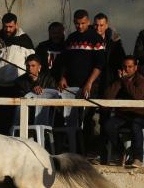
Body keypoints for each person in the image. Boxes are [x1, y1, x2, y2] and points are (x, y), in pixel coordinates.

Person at [59, 9, 105, 155]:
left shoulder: (96, 39)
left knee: (87, 119)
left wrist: (89, 83)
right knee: (71, 118)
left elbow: (99, 65)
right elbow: (64, 61)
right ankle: (74, 150)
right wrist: (63, 77)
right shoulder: (71, 38)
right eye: (77, 23)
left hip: (89, 86)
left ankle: (87, 151)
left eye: (83, 23)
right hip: (71, 86)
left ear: (88, 22)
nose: (80, 26)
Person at [0, 12, 34, 135]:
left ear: (16, 24)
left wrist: (31, 81)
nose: (8, 29)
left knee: (12, 123)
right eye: (5, 27)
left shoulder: (25, 41)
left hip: (14, 88)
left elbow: (32, 63)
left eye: (10, 27)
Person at [93, 12, 126, 164]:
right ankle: (97, 152)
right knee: (89, 120)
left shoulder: (114, 41)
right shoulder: (90, 38)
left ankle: (110, 154)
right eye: (96, 25)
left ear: (106, 25)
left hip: (109, 84)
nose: (98, 28)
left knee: (106, 121)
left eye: (101, 25)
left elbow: (121, 60)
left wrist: (120, 72)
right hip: (94, 83)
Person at [104, 56, 144, 168]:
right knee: (108, 125)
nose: (127, 69)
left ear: (135, 68)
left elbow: (137, 96)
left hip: (139, 115)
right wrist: (119, 82)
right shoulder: (119, 80)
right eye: (125, 67)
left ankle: (138, 158)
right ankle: (122, 151)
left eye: (130, 67)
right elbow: (108, 97)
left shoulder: (141, 80)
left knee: (135, 125)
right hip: (122, 115)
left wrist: (125, 80)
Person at [14, 54, 58, 126]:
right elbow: (20, 98)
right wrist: (32, 91)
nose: (30, 68)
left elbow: (54, 96)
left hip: (45, 114)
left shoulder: (48, 79)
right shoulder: (19, 81)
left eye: (33, 66)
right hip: (27, 115)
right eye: (28, 66)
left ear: (39, 67)